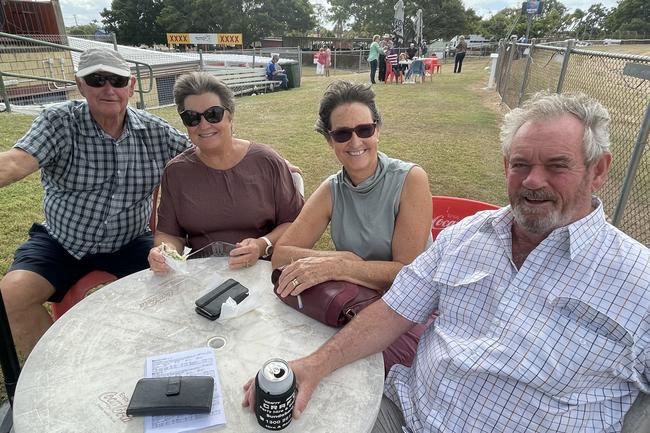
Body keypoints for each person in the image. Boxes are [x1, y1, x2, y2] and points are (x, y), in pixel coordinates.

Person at [243, 92, 650, 432]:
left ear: (598, 171)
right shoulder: (467, 237)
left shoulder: (638, 281)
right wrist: (312, 367)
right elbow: (394, 308)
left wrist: (345, 264)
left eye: (557, 165)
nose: (532, 181)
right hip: (407, 413)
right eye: (520, 164)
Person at [0, 47, 191, 356]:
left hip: (130, 241)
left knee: (179, 290)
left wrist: (264, 162)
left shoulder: (155, 132)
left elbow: (202, 158)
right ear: (80, 84)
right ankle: (59, 370)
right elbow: (15, 163)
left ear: (130, 86)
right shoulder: (59, 122)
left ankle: (148, 361)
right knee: (12, 296)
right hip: (62, 241)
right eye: (97, 79)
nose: (108, 88)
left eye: (116, 80)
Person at [271, 80, 432, 374]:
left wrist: (341, 267)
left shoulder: (410, 180)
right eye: (343, 134)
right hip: (356, 306)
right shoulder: (332, 189)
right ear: (330, 140)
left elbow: (408, 274)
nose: (355, 142)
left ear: (377, 130)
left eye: (364, 130)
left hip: (408, 310)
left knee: (345, 371)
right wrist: (341, 260)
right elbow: (281, 254)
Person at [147, 72, 304, 273]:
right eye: (192, 118)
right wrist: (164, 252)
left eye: (213, 114)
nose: (203, 125)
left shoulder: (266, 161)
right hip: (202, 276)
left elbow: (296, 223)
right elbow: (169, 234)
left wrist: (262, 244)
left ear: (230, 116)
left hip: (265, 271)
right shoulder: (177, 172)